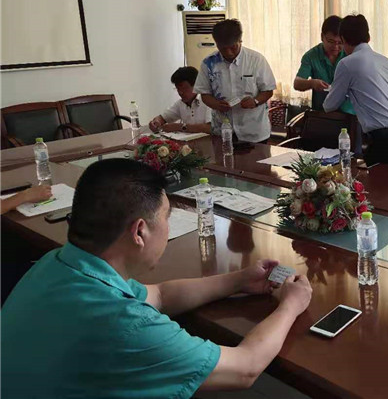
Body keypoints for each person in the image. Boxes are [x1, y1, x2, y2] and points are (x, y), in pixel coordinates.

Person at [1, 159, 312, 398]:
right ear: (139, 232)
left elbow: (161, 294)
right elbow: (246, 368)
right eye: (166, 217)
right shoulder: (126, 325)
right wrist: (290, 305)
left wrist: (240, 280)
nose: (168, 225)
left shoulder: (57, 264)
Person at [323, 14, 388, 167]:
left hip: (383, 143)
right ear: (368, 37)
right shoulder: (386, 62)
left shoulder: (347, 64)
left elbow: (329, 105)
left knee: (372, 183)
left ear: (343, 39)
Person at [194, 19, 276, 143]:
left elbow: (268, 90)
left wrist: (255, 101)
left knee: (256, 157)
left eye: (233, 47)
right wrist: (216, 104)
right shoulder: (208, 63)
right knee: (221, 156)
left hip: (253, 131)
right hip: (222, 131)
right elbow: (204, 94)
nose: (229, 52)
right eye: (223, 48)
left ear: (240, 41)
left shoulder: (256, 60)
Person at [294, 15, 354, 114]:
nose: (335, 46)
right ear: (322, 37)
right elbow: (297, 83)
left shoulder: (350, 54)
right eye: (331, 41)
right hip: (321, 113)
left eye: (340, 43)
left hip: (347, 113)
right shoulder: (311, 56)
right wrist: (312, 83)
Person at [149, 66, 212, 134]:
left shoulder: (209, 100)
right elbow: (162, 118)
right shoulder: (180, 104)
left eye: (183, 88)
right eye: (177, 89)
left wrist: (180, 127)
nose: (180, 92)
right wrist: (156, 122)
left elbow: (210, 128)